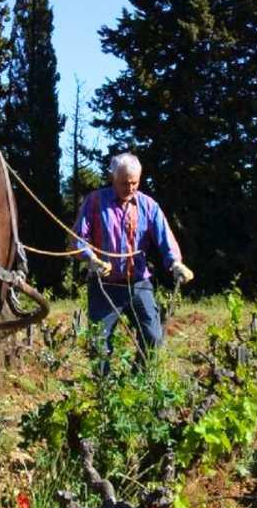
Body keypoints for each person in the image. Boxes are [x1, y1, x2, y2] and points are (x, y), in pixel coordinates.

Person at [73, 152, 194, 365]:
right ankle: (105, 390)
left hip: (138, 284)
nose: (130, 188)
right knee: (99, 344)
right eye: (124, 183)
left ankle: (138, 383)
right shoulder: (94, 202)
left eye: (134, 183)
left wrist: (175, 262)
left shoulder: (149, 206)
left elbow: (165, 238)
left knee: (153, 337)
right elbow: (77, 238)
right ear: (113, 179)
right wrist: (90, 258)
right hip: (104, 285)